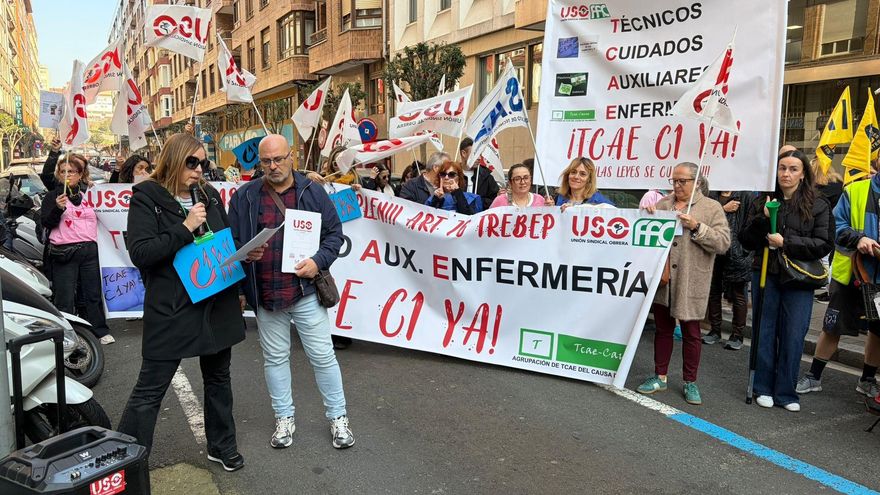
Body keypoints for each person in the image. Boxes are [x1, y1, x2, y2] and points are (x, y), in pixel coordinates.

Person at [117, 133, 246, 470]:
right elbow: (142, 253)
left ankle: (221, 445)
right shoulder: (147, 197)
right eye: (192, 162)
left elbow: (223, 242)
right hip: (173, 306)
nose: (199, 170)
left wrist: (245, 255)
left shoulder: (209, 195)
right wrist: (185, 227)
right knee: (150, 389)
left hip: (216, 303)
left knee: (219, 378)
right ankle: (125, 463)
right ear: (174, 159)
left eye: (203, 163)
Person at [228, 134, 354, 450]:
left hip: (305, 291)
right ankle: (284, 418)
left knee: (323, 357)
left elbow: (335, 235)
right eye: (266, 161)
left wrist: (318, 261)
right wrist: (246, 257)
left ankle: (338, 418)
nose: (273, 166)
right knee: (274, 359)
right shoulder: (244, 197)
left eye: (279, 159)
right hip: (266, 293)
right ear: (259, 162)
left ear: (291, 157)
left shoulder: (312, 192)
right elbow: (231, 243)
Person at [739, 149, 833, 412]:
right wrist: (763, 220)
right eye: (782, 168)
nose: (786, 174)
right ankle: (762, 387)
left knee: (793, 333)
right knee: (764, 330)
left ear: (803, 174)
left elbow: (824, 244)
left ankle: (786, 391)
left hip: (799, 279)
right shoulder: (764, 201)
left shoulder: (818, 203)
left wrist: (786, 242)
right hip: (766, 274)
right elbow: (745, 240)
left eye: (793, 169)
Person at [636, 162, 730, 405]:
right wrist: (647, 214)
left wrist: (697, 227)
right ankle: (660, 375)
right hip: (664, 278)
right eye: (674, 181)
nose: (677, 185)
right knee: (663, 329)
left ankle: (690, 381)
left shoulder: (711, 207)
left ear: (696, 182)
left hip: (692, 278)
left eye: (682, 181)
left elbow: (722, 243)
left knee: (691, 332)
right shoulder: (663, 204)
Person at [796, 159, 880, 400]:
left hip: (879, 281)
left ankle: (867, 380)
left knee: (877, 331)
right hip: (851, 276)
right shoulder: (855, 190)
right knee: (832, 326)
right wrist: (858, 238)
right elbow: (836, 226)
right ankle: (813, 376)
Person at [39, 150, 114, 345]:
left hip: (89, 252)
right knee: (65, 296)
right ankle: (66, 334)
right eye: (63, 171)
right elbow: (47, 223)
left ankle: (98, 330)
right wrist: (57, 208)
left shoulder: (89, 194)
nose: (67, 175)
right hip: (64, 254)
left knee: (92, 293)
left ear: (80, 174)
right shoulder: (53, 197)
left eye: (71, 171)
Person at [703, 191, 754, 350]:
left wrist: (745, 250)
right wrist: (723, 209)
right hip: (714, 250)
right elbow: (703, 220)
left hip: (737, 253)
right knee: (713, 291)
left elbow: (751, 225)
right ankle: (714, 330)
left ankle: (737, 335)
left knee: (739, 293)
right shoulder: (712, 195)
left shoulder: (746, 196)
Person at [812, 159, 844, 302]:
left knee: (824, 259)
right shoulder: (839, 184)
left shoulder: (819, 188)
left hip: (825, 225)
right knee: (830, 258)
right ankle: (828, 290)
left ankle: (826, 287)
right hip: (838, 224)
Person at [458, 137, 499, 209]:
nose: (479, 158)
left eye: (480, 154)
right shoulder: (451, 175)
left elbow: (494, 200)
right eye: (475, 154)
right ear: (463, 153)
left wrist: (477, 202)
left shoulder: (486, 176)